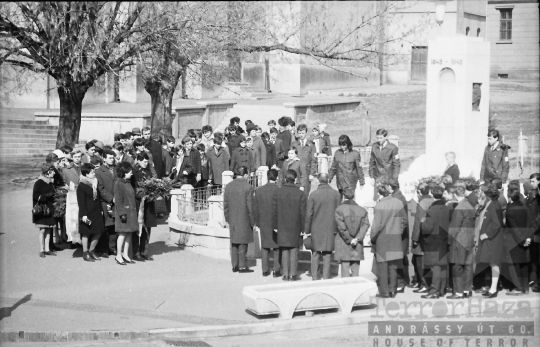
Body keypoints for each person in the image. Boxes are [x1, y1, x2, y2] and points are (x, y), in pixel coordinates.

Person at [371, 181, 405, 298]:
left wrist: (372, 238)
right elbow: (403, 221)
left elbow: (376, 226)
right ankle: (392, 290)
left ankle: (384, 291)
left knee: (383, 266)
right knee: (393, 266)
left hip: (382, 238)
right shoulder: (398, 203)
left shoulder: (379, 206)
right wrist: (399, 231)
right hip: (395, 237)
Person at [305, 173, 341, 280]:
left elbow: (309, 213)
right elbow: (338, 212)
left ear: (319, 181)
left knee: (315, 253)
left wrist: (306, 230)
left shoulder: (313, 194)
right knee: (327, 253)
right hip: (331, 227)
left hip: (316, 227)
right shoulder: (336, 194)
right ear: (328, 180)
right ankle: (326, 276)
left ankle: (315, 276)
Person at [273, 169, 307, 281]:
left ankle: (285, 274)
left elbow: (274, 210)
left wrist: (275, 226)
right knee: (294, 249)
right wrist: (303, 228)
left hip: (282, 224)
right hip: (295, 225)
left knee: (284, 250)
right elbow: (303, 213)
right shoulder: (300, 193)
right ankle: (293, 274)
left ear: (285, 179)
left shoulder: (278, 192)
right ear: (295, 179)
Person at [447, 180, 477, 299]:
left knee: (457, 266)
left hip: (459, 240)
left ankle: (458, 291)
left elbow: (454, 227)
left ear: (454, 195)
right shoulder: (469, 205)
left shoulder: (459, 207)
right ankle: (467, 290)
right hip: (469, 238)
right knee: (468, 266)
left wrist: (449, 241)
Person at [420, 185, 450, 299]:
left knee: (435, 267)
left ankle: (435, 290)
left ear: (432, 195)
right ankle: (441, 289)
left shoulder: (431, 210)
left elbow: (427, 227)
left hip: (433, 241)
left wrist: (422, 222)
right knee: (442, 266)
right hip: (444, 239)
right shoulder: (447, 208)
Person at [475, 183, 504, 298]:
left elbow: (497, 224)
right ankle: (492, 288)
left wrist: (487, 234)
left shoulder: (495, 205)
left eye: (481, 191)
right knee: (493, 263)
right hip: (491, 239)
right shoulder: (491, 203)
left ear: (487, 193)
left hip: (493, 239)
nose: (480, 193)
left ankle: (493, 289)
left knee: (494, 263)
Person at [502, 186, 533, 295]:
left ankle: (518, 287)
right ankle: (525, 287)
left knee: (514, 266)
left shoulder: (510, 210)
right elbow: (530, 224)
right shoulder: (525, 207)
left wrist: (522, 240)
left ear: (510, 197)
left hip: (514, 241)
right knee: (524, 264)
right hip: (526, 239)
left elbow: (514, 229)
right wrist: (528, 238)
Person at [224, 166, 255, 273]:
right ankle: (242, 265)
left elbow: (226, 205)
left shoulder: (228, 186)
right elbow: (250, 206)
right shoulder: (248, 187)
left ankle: (234, 265)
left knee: (234, 242)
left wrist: (228, 218)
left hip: (233, 218)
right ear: (245, 174)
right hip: (244, 217)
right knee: (242, 242)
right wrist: (252, 221)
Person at [334, 188, 370, 277]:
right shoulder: (362, 210)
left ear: (343, 197)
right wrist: (357, 238)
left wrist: (350, 239)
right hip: (357, 244)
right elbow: (365, 225)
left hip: (344, 243)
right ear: (354, 196)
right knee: (356, 270)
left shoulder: (339, 209)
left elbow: (342, 228)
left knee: (345, 271)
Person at [253, 169, 282, 277]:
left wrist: (257, 222)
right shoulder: (279, 190)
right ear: (277, 177)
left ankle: (265, 270)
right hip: (276, 222)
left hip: (264, 221)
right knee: (276, 248)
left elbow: (255, 208)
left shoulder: (259, 190)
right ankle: (276, 269)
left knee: (265, 247)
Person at [132, 152, 157, 261]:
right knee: (139, 227)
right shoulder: (134, 172)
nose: (146, 164)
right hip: (138, 203)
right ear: (138, 160)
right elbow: (133, 187)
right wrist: (140, 195)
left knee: (148, 227)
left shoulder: (148, 171)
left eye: (147, 161)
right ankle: (136, 252)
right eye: (144, 161)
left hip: (148, 202)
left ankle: (144, 251)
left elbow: (153, 183)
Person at [77, 163, 104, 262]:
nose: (94, 174)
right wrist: (83, 215)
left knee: (99, 231)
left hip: (96, 211)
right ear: (86, 174)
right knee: (86, 233)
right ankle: (85, 252)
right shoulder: (82, 185)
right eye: (92, 172)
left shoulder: (94, 183)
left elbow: (98, 198)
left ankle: (92, 250)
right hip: (87, 212)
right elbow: (81, 201)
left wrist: (101, 209)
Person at [114, 162, 138, 265]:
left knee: (129, 233)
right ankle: (118, 255)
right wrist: (122, 213)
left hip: (131, 212)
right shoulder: (119, 184)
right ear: (124, 172)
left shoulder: (127, 182)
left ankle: (125, 254)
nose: (131, 174)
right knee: (122, 234)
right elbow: (118, 201)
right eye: (129, 172)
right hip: (124, 213)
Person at [94, 149, 117, 258]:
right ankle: (103, 249)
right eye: (110, 158)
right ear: (104, 158)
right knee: (105, 226)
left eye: (113, 158)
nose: (112, 160)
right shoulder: (99, 171)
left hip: (116, 201)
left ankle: (112, 248)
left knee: (114, 226)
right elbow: (100, 188)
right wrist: (111, 198)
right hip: (105, 202)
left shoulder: (117, 169)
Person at [411, 182, 434, 291]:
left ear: (419, 192)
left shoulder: (422, 203)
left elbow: (418, 223)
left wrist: (415, 238)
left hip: (421, 237)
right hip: (431, 236)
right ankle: (421, 282)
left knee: (420, 261)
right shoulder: (432, 201)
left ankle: (424, 284)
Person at [388, 178, 410, 292]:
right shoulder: (399, 197)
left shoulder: (397, 199)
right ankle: (400, 282)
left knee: (398, 259)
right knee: (399, 258)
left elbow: (403, 220)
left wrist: (397, 232)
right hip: (400, 234)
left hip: (399, 235)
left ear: (391, 188)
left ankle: (400, 283)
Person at [328, 135, 365, 200]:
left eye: (344, 145)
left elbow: (359, 168)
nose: (342, 147)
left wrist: (361, 181)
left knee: (350, 201)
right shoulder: (337, 153)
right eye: (341, 145)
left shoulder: (355, 154)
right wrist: (329, 177)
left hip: (350, 183)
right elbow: (334, 167)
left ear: (348, 144)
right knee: (340, 201)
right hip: (341, 182)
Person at [33, 163, 57, 258]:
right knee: (42, 230)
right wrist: (46, 196)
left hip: (50, 209)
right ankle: (41, 250)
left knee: (48, 229)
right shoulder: (39, 182)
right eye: (52, 171)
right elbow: (35, 195)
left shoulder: (50, 182)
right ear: (47, 172)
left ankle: (47, 249)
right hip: (43, 210)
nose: (54, 172)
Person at [369, 129, 401, 200]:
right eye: (378, 138)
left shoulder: (393, 148)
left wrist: (394, 179)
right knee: (377, 199)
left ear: (385, 137)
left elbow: (396, 165)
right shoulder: (374, 146)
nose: (379, 140)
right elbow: (372, 162)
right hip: (378, 177)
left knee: (389, 199)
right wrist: (371, 177)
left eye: (381, 138)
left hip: (389, 177)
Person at [291, 124, 317, 196]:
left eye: (303, 133)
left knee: (305, 194)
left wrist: (312, 174)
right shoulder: (294, 144)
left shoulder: (311, 145)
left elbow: (313, 160)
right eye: (299, 133)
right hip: (296, 172)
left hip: (306, 172)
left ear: (306, 133)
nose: (301, 135)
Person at [527, 173, 540, 293]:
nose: (532, 184)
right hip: (533, 231)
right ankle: (534, 279)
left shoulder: (537, 195)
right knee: (534, 257)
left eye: (533, 181)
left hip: (536, 230)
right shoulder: (532, 194)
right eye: (530, 181)